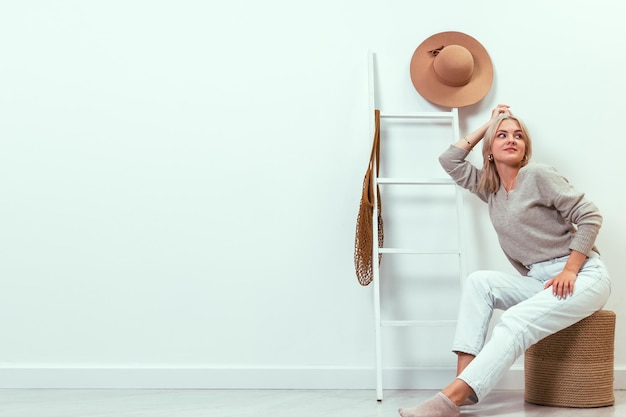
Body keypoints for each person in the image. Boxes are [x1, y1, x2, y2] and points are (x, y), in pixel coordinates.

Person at [398, 104, 612, 417]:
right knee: (479, 282)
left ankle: (450, 401)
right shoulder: (491, 189)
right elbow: (449, 160)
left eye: (518, 136)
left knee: (514, 321)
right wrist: (488, 123)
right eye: (502, 135)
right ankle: (460, 384)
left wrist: (570, 269)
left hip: (583, 276)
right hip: (539, 280)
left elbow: (590, 216)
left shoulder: (537, 175)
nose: (511, 139)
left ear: (525, 148)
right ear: (489, 150)